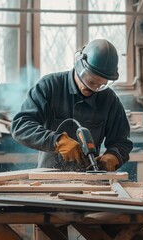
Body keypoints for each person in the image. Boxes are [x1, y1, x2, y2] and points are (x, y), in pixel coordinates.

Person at [11, 39, 133, 172]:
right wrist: (56, 141)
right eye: (91, 81)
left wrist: (113, 156)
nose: (94, 88)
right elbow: (20, 126)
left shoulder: (109, 100)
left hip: (90, 181)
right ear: (79, 64)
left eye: (101, 85)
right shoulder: (49, 86)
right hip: (49, 179)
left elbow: (122, 142)